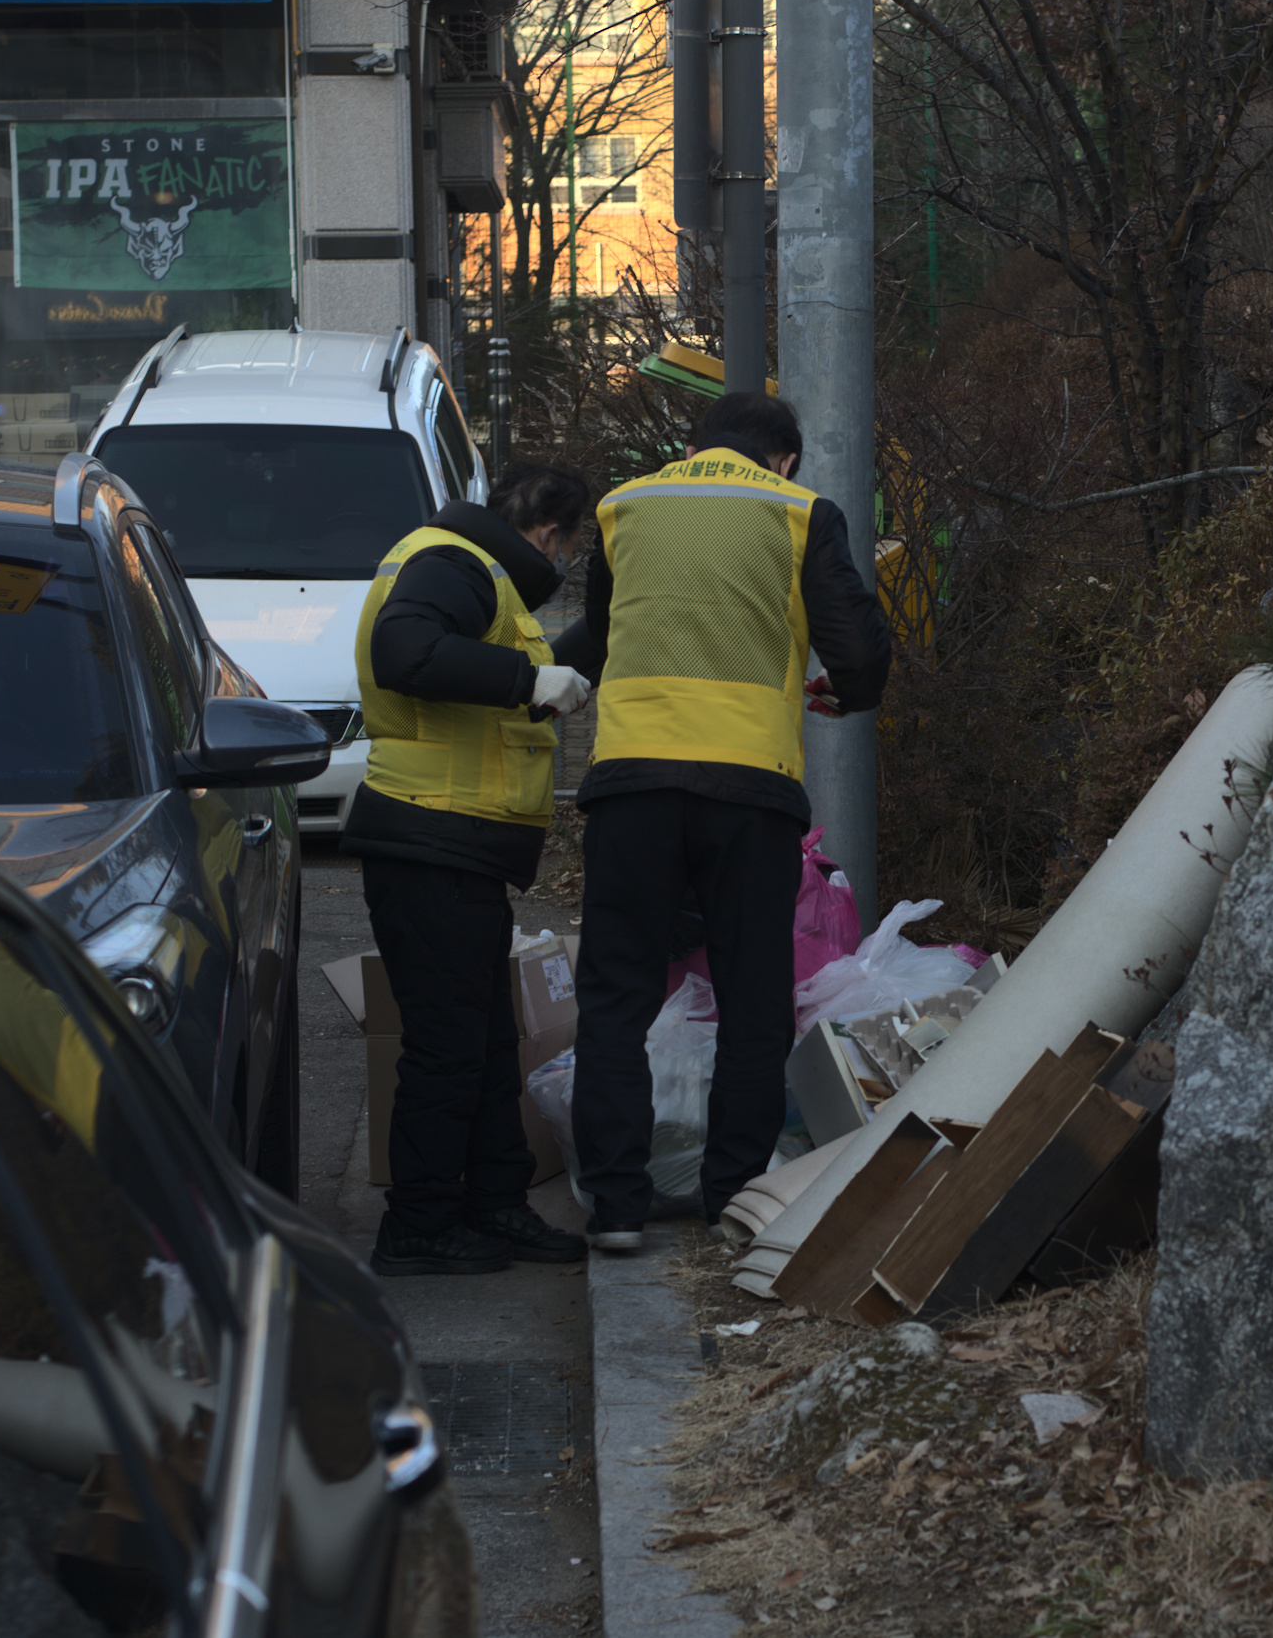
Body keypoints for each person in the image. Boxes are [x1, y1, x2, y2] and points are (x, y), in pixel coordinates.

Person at [560, 392, 893, 1250]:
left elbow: (599, 635)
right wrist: (849, 695)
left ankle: (618, 1207)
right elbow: (856, 646)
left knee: (616, 996)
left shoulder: (626, 505)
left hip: (630, 782)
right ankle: (732, 1200)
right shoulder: (797, 512)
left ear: (692, 445)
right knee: (754, 1000)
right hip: (750, 789)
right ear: (784, 459)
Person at [343, 460, 598, 1275]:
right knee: (448, 1047)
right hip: (428, 841)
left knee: (487, 1043)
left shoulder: (476, 572)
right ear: (551, 534)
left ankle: (495, 1205)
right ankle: (416, 1226)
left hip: (458, 846)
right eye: (568, 549)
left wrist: (574, 648)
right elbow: (405, 652)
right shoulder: (453, 563)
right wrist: (529, 678)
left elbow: (495, 674)